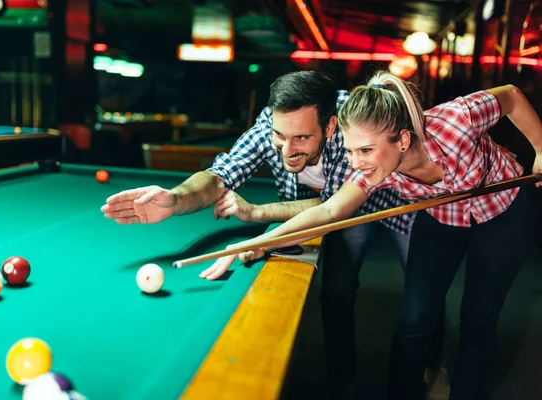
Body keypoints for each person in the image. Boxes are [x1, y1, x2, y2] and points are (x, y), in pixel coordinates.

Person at [207, 71, 542, 400]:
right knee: (414, 320)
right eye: (350, 151)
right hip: (440, 218)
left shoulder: (456, 120)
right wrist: (255, 242)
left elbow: (511, 95)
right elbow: (328, 211)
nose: (356, 162)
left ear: (404, 140)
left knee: (478, 321)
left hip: (503, 215)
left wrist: (541, 147)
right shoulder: (372, 168)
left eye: (365, 151)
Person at [101, 71, 422, 398]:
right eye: (280, 136)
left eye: (300, 139)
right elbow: (219, 176)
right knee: (338, 292)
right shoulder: (270, 129)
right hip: (341, 207)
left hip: (398, 199)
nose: (286, 150)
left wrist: (256, 214)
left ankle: (425, 372)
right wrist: (177, 199)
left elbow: (332, 206)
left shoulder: (352, 126)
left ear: (328, 127)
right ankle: (344, 382)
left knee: (423, 293)